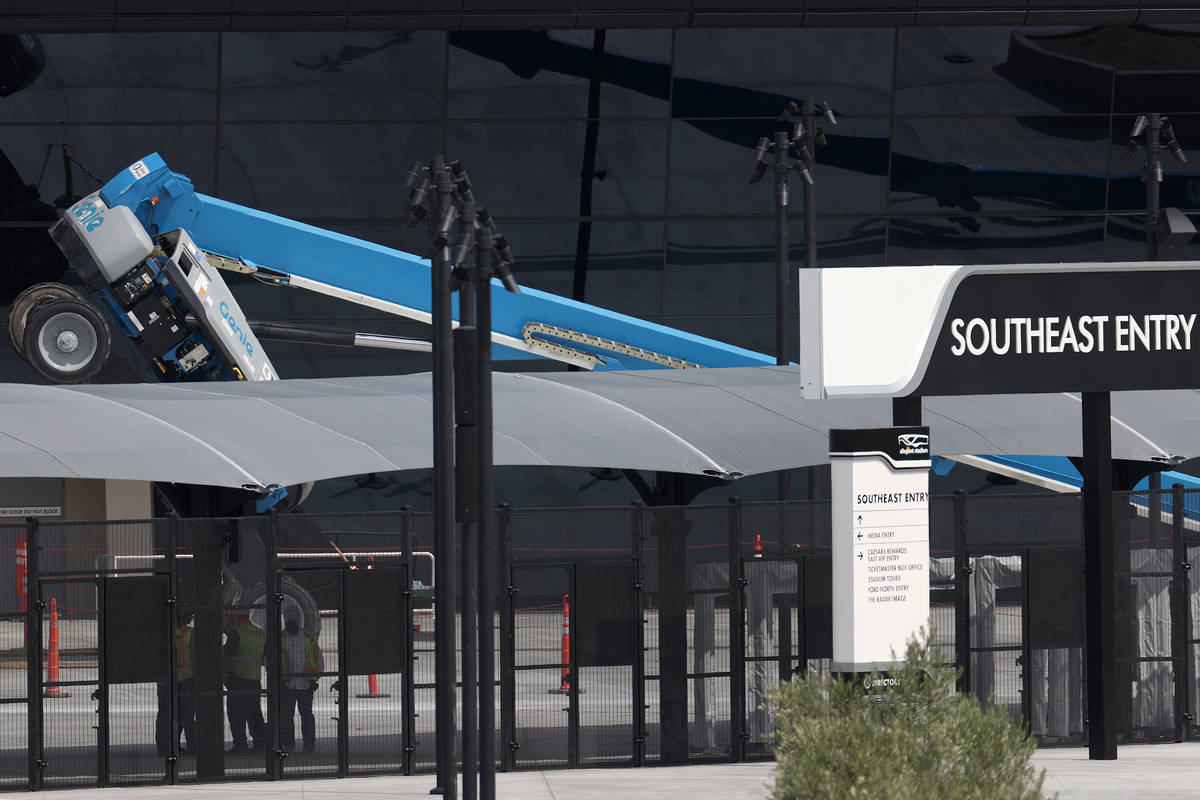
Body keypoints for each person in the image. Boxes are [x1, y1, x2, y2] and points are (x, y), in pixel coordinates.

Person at [280, 604, 323, 753]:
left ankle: (309, 745)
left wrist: (314, 679)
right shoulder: (281, 638)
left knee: (306, 715)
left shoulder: (308, 638)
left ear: (298, 621)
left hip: (305, 683)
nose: (291, 625)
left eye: (293, 622)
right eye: (289, 622)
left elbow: (318, 660)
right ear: (285, 621)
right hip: (288, 684)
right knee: (287, 716)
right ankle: (289, 744)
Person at [223, 611, 266, 754]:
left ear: (236, 618)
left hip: (237, 679)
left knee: (236, 714)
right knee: (254, 713)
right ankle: (260, 743)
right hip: (255, 679)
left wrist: (225, 677)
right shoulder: (260, 633)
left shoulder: (236, 633)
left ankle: (240, 745)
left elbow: (227, 657)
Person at [155, 613, 195, 756]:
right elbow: (195, 657)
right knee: (188, 715)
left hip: (165, 680)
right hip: (186, 678)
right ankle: (192, 747)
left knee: (165, 714)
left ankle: (165, 747)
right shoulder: (190, 633)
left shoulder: (162, 633)